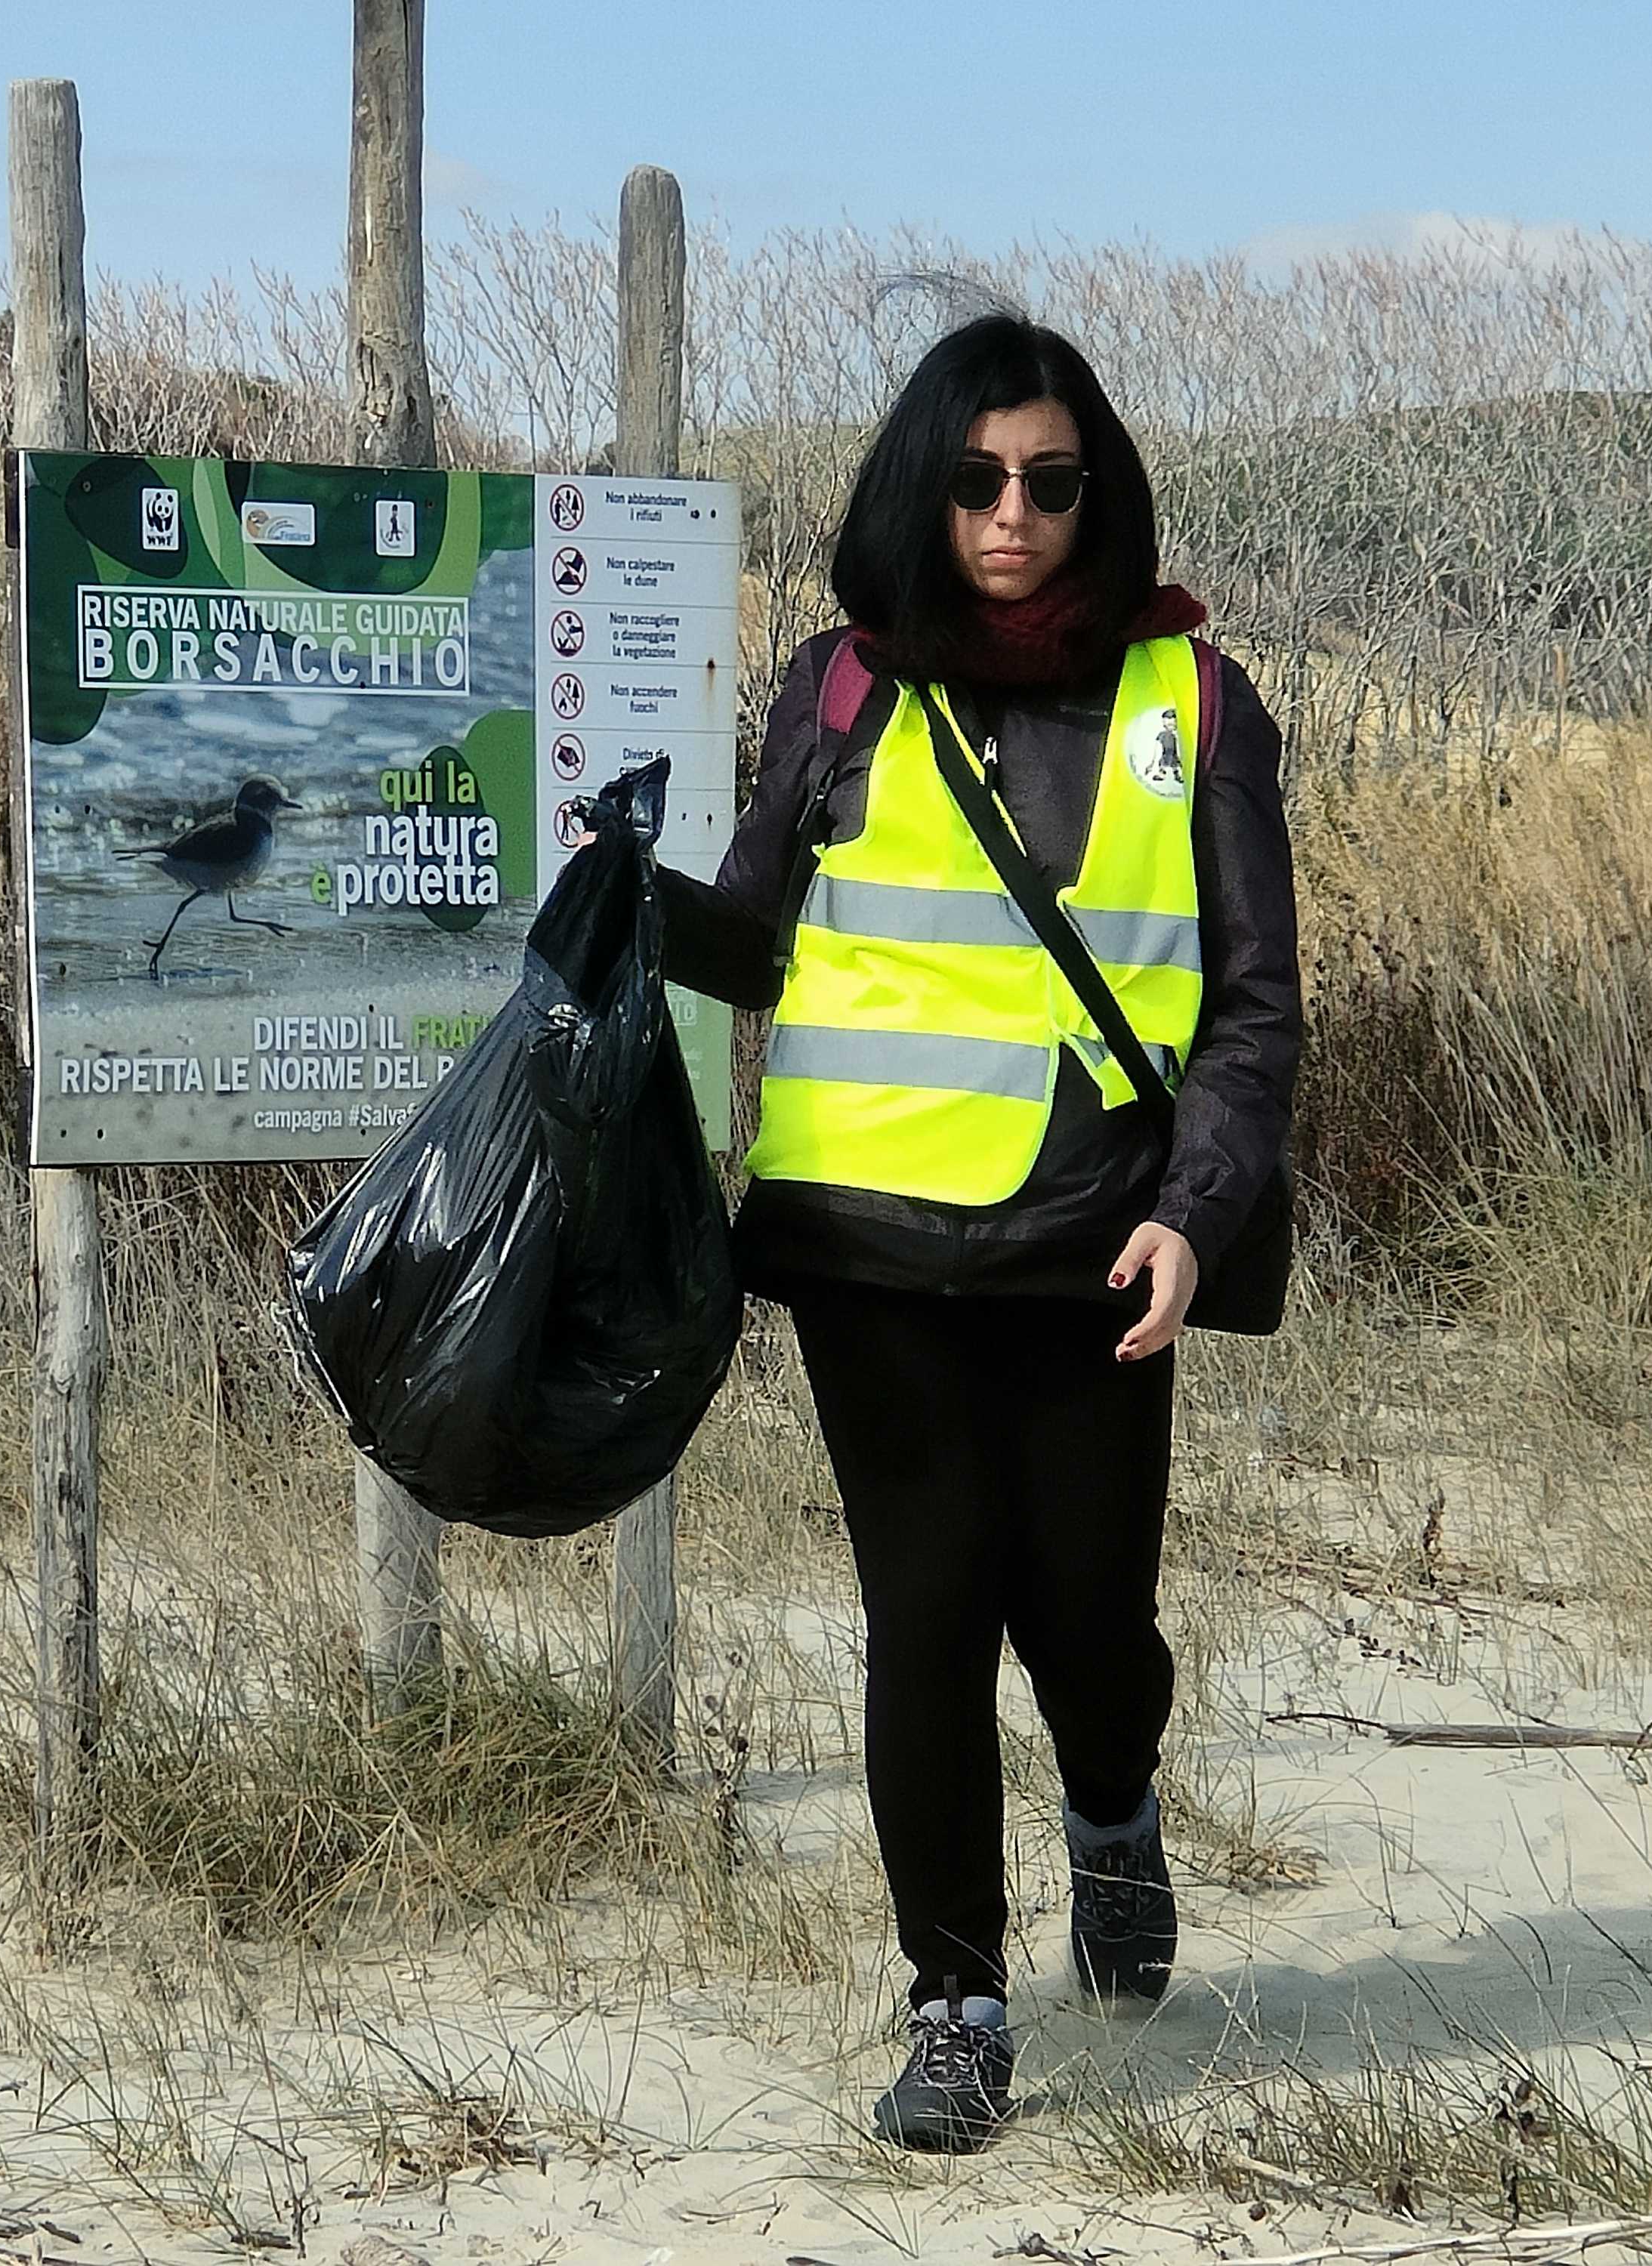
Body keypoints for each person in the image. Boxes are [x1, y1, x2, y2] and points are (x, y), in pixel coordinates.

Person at [652, 313, 1301, 2151]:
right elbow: (751, 939)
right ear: (915, 490)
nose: (1008, 514)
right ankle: (955, 2003)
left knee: (1084, 1620)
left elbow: (1251, 1007)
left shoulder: (1194, 705)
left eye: (1046, 481)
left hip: (1094, 1245)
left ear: (1097, 495)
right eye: (971, 479)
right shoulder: (839, 689)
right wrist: (608, 900)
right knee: (924, 1613)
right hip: (863, 1246)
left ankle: (1111, 1812)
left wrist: (1194, 1215)